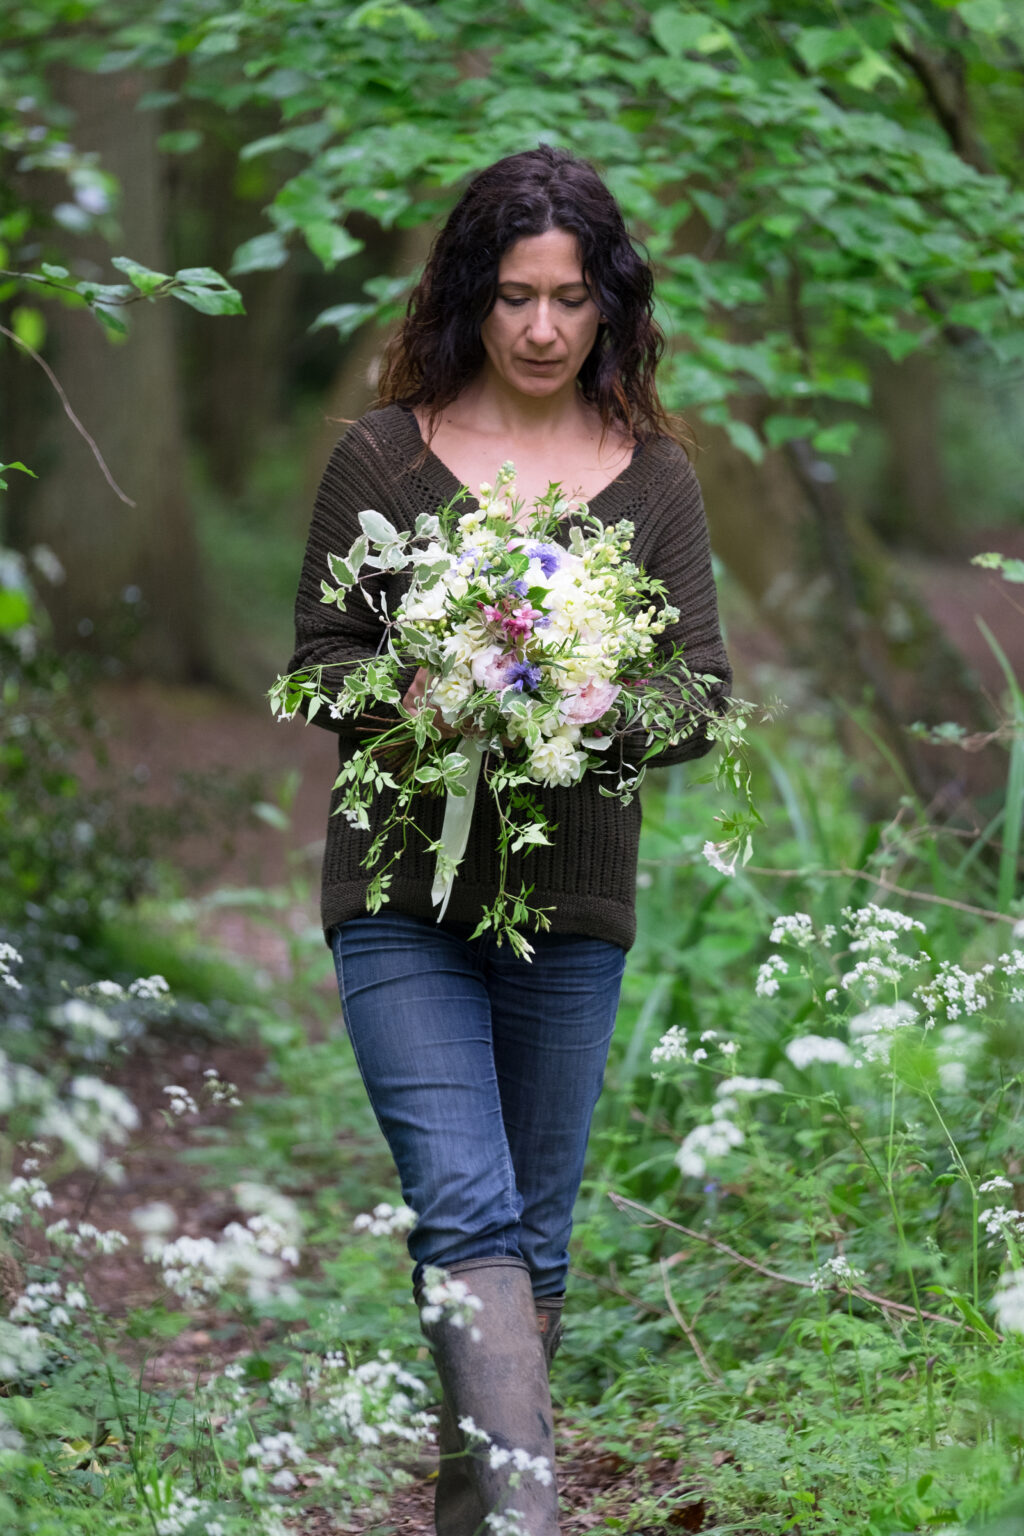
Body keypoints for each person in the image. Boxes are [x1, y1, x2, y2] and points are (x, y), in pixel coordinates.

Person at [287, 145, 731, 1536]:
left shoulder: (653, 480)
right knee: (467, 1214)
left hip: (575, 906)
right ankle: (529, 1523)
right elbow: (315, 669)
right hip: (400, 896)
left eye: (573, 299)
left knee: (534, 1246)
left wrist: (598, 707)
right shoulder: (380, 458)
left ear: (611, 308)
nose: (543, 330)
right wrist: (421, 685)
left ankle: (478, 1505)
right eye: (516, 297)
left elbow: (702, 696)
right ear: (471, 298)